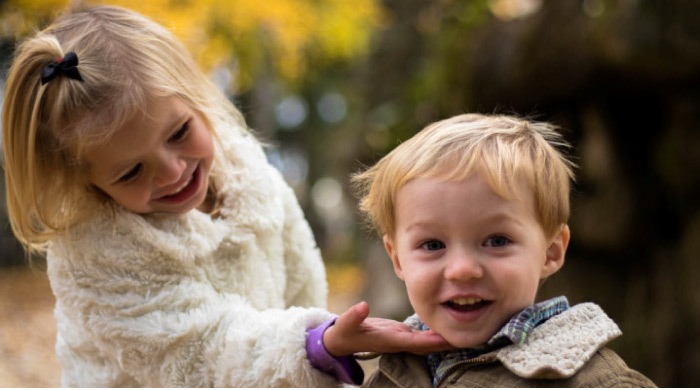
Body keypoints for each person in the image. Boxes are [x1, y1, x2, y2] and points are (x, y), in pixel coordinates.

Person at [1, 4, 449, 387]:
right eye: (132, 171)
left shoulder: (245, 173)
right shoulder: (95, 257)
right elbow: (200, 354)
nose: (173, 172)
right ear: (89, 183)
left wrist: (324, 342)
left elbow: (299, 276)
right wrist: (313, 345)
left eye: (179, 132)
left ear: (196, 99)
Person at [351, 113, 657, 387]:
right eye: (433, 245)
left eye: (497, 241)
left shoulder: (593, 382)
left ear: (550, 252)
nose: (462, 269)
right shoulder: (395, 368)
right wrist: (319, 354)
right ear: (397, 258)